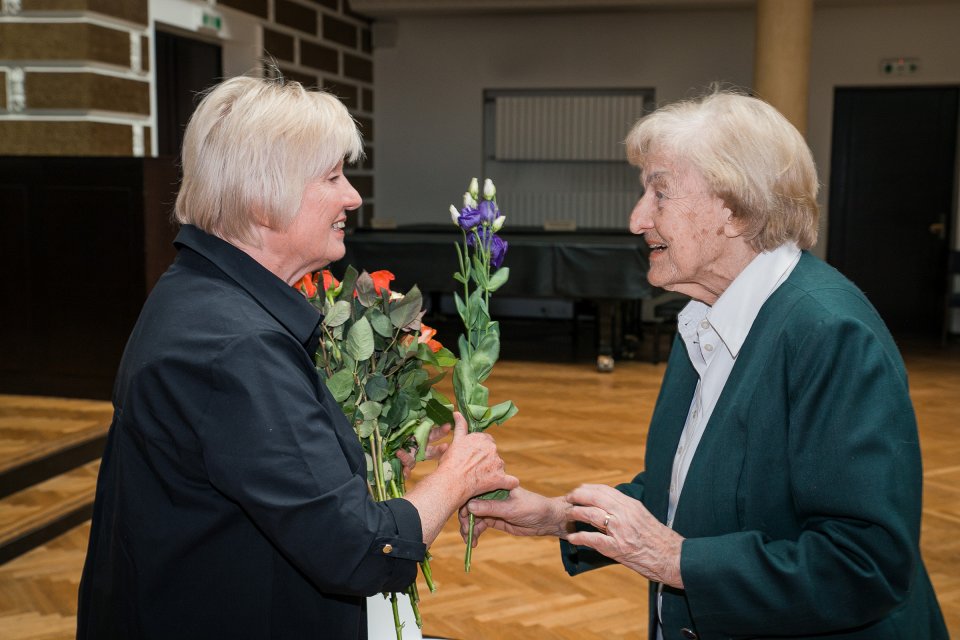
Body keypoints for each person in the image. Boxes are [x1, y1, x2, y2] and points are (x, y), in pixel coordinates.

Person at [462, 89, 948, 639]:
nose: (636, 218)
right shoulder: (707, 312)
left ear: (736, 210)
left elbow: (866, 564)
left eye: (660, 192)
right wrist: (558, 517)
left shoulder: (828, 333)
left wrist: (676, 561)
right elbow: (688, 490)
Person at [77, 75, 518, 639]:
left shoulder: (203, 292)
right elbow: (360, 552)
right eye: (332, 176)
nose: (352, 196)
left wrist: (366, 455)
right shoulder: (237, 345)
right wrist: (457, 478)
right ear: (265, 197)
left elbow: (249, 465)